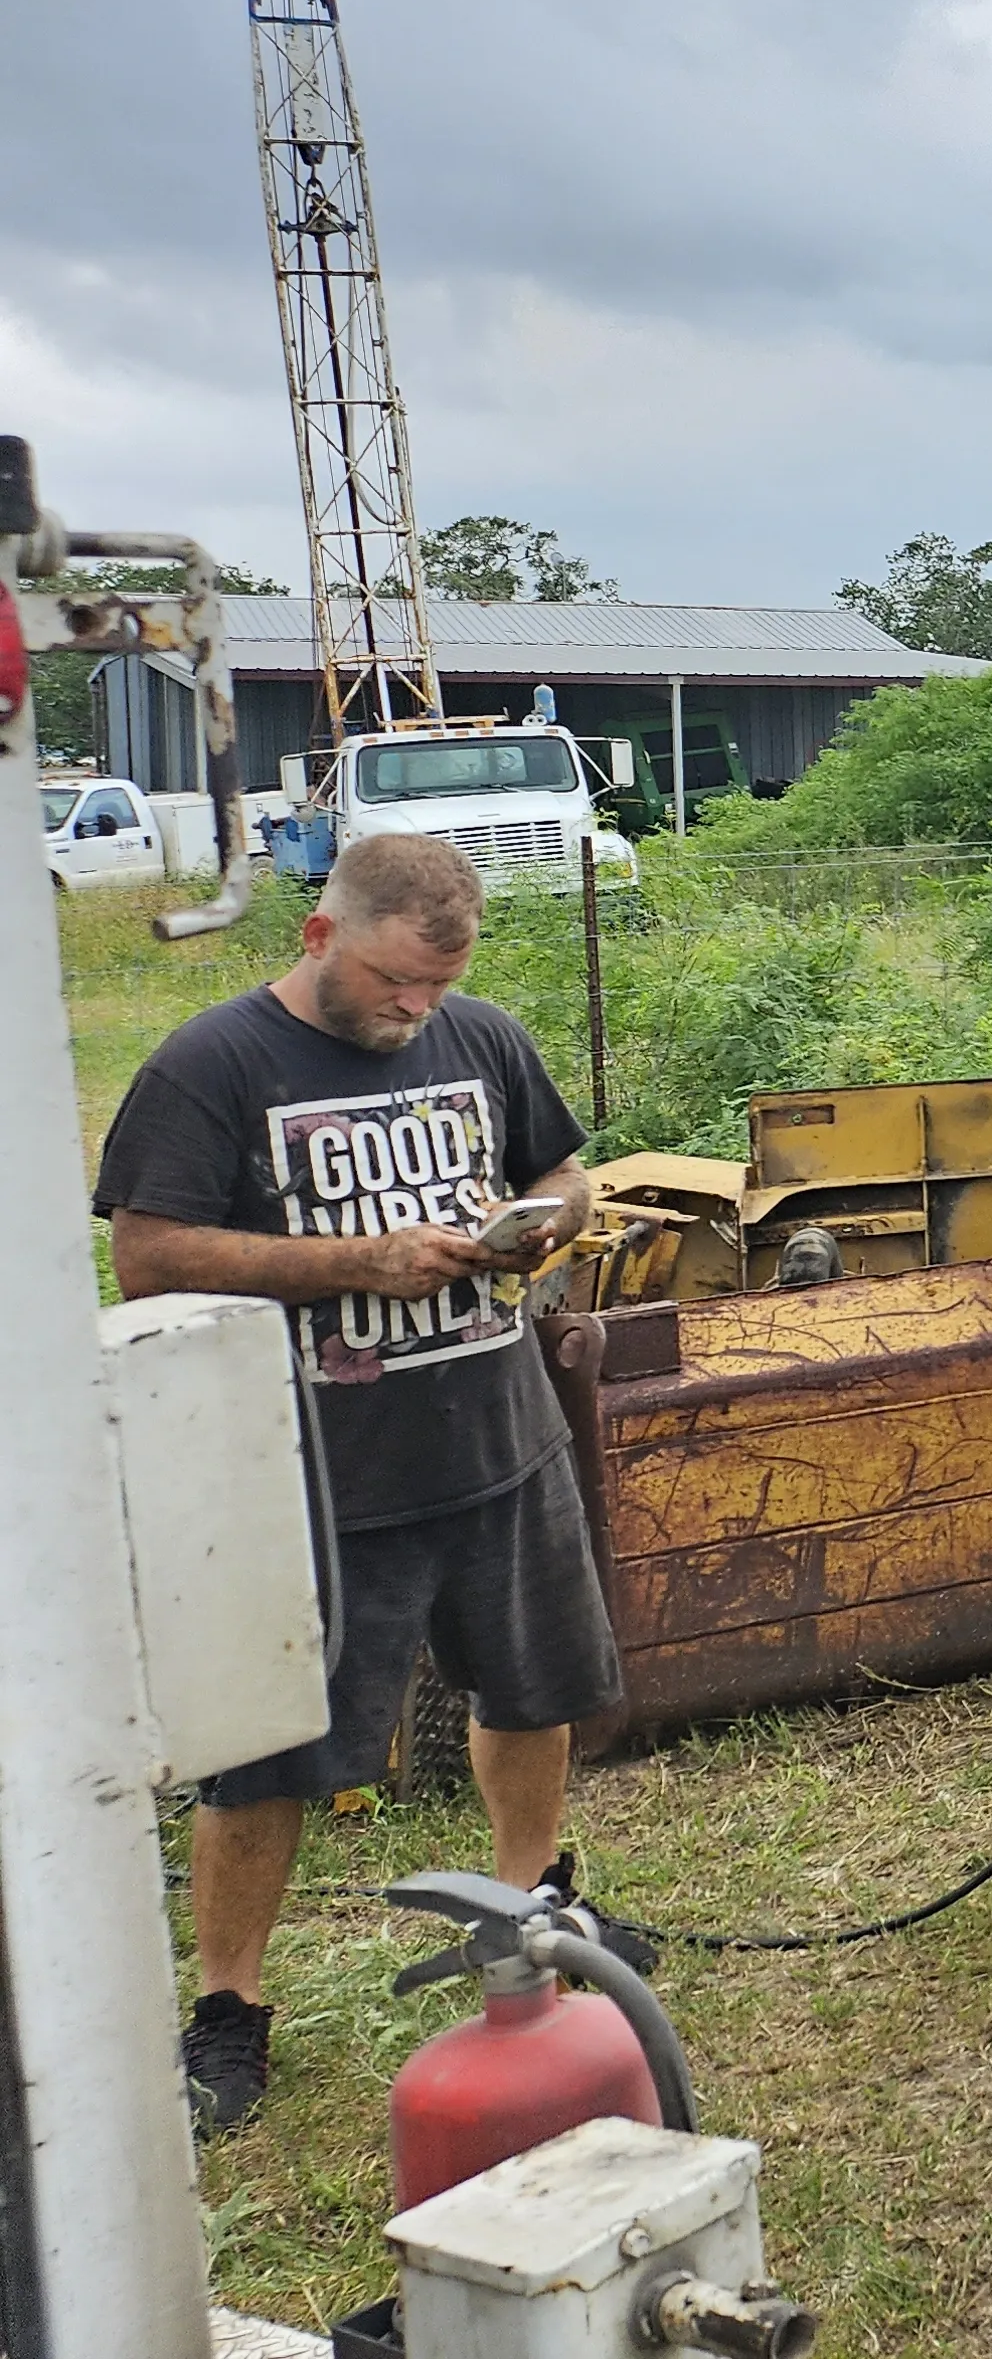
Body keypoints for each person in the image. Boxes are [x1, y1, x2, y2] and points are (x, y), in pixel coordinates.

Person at [94, 831, 614, 2139]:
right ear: (321, 936)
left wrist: (548, 1219)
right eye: (393, 983)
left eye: (438, 987)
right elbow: (146, 1256)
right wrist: (352, 1263)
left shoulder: (481, 1037)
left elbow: (564, 1170)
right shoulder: (210, 1066)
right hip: (312, 1479)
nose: (414, 1009)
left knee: (530, 1689)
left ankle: (536, 1914)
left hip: (498, 1444)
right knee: (268, 1762)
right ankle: (229, 2010)